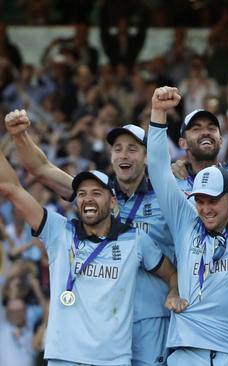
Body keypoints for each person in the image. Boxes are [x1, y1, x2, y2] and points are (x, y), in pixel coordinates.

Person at [4, 113, 179, 366]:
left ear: (147, 156)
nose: (124, 155)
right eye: (117, 149)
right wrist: (20, 135)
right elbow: (41, 169)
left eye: (133, 149)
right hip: (103, 325)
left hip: (151, 316)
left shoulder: (167, 195)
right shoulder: (99, 195)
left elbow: (208, 212)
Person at [147, 86, 228, 366]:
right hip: (189, 348)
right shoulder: (185, 219)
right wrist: (158, 112)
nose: (205, 208)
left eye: (212, 127)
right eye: (199, 200)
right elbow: (155, 165)